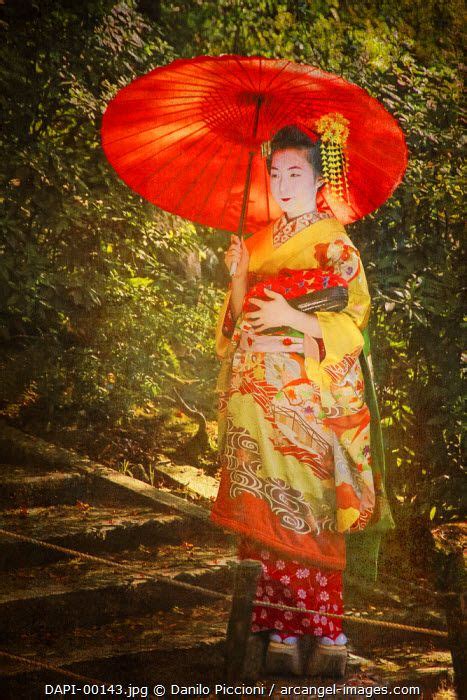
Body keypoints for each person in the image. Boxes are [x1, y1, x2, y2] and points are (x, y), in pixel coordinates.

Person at [210, 125, 383, 677]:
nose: (284, 185)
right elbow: (235, 325)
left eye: (296, 173)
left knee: (307, 507)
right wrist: (238, 277)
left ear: (317, 178)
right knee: (263, 508)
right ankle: (273, 627)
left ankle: (322, 629)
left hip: (306, 397)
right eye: (276, 174)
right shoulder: (260, 240)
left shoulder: (336, 243)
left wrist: (291, 317)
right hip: (255, 395)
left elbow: (351, 322)